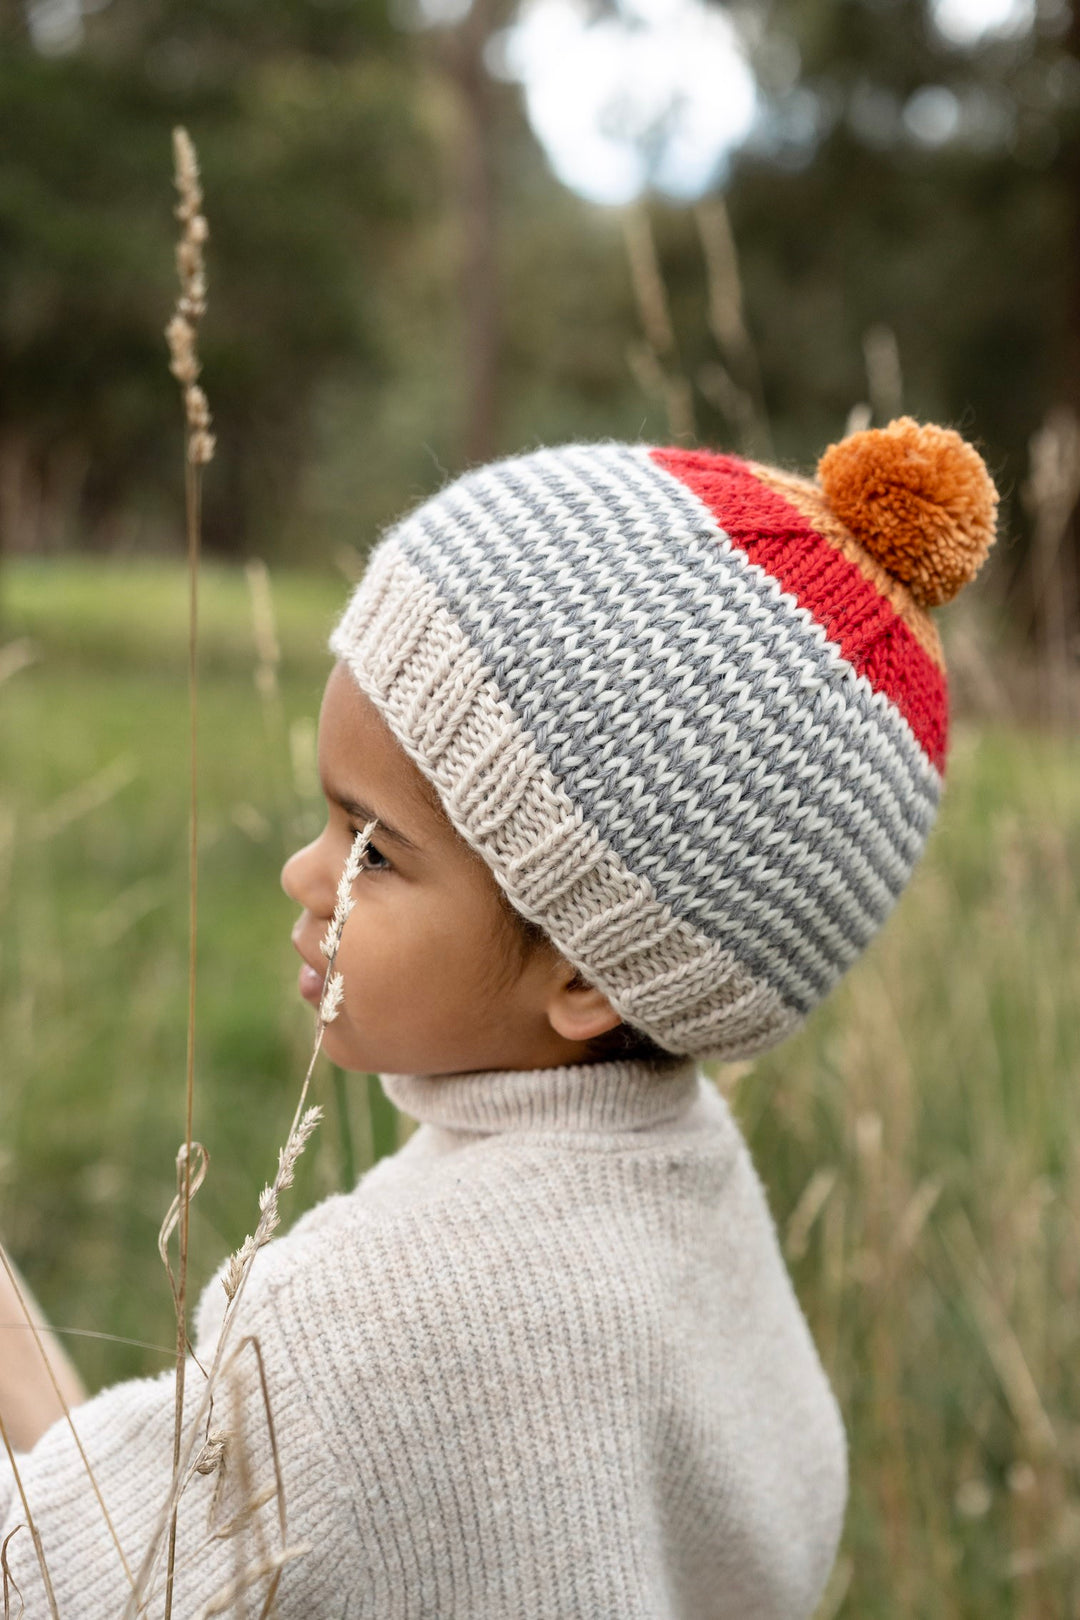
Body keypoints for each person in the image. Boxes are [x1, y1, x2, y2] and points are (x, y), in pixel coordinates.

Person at [0, 417, 997, 1618]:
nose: (303, 876)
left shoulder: (362, 1324)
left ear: (588, 975)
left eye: (372, 844)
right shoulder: (702, 1205)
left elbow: (54, 1584)